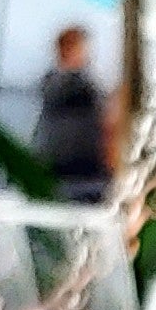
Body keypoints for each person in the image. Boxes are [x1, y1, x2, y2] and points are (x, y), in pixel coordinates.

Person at [35, 21, 113, 198]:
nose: (87, 55)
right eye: (82, 49)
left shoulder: (79, 82)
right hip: (69, 167)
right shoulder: (62, 85)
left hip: (84, 167)